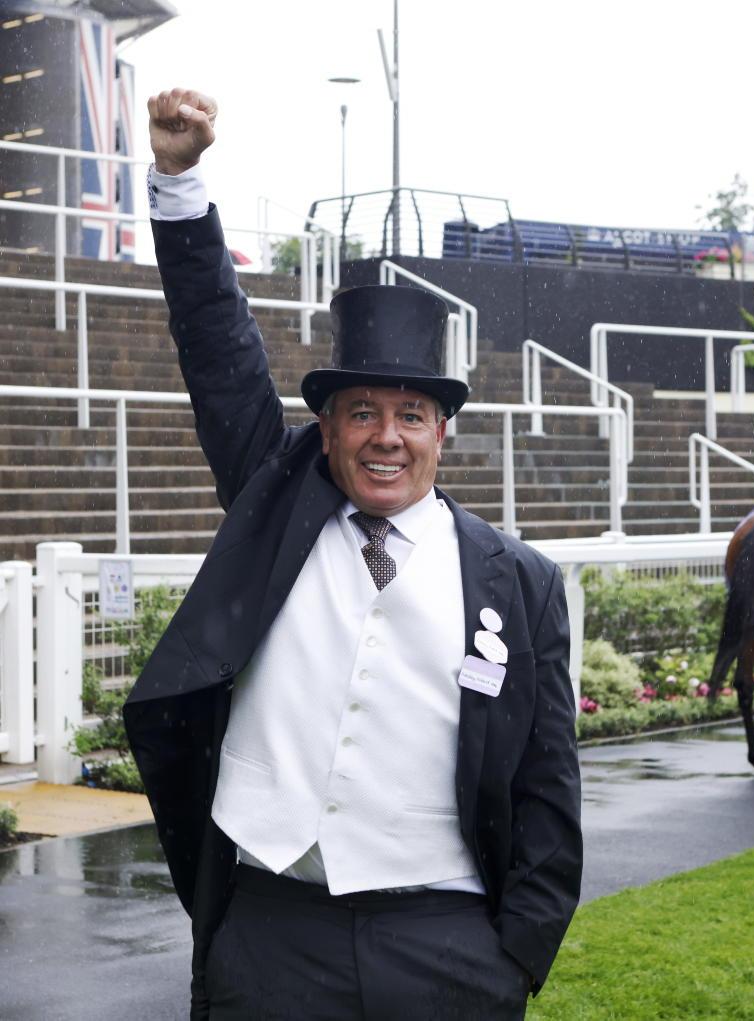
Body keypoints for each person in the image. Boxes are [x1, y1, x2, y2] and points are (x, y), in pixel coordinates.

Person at [124, 88, 582, 1021]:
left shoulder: (519, 581)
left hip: (447, 947)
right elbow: (218, 351)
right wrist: (179, 181)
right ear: (326, 428)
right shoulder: (276, 508)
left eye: (411, 414)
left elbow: (548, 791)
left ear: (443, 432)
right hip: (271, 934)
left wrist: (515, 957)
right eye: (361, 411)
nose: (386, 436)